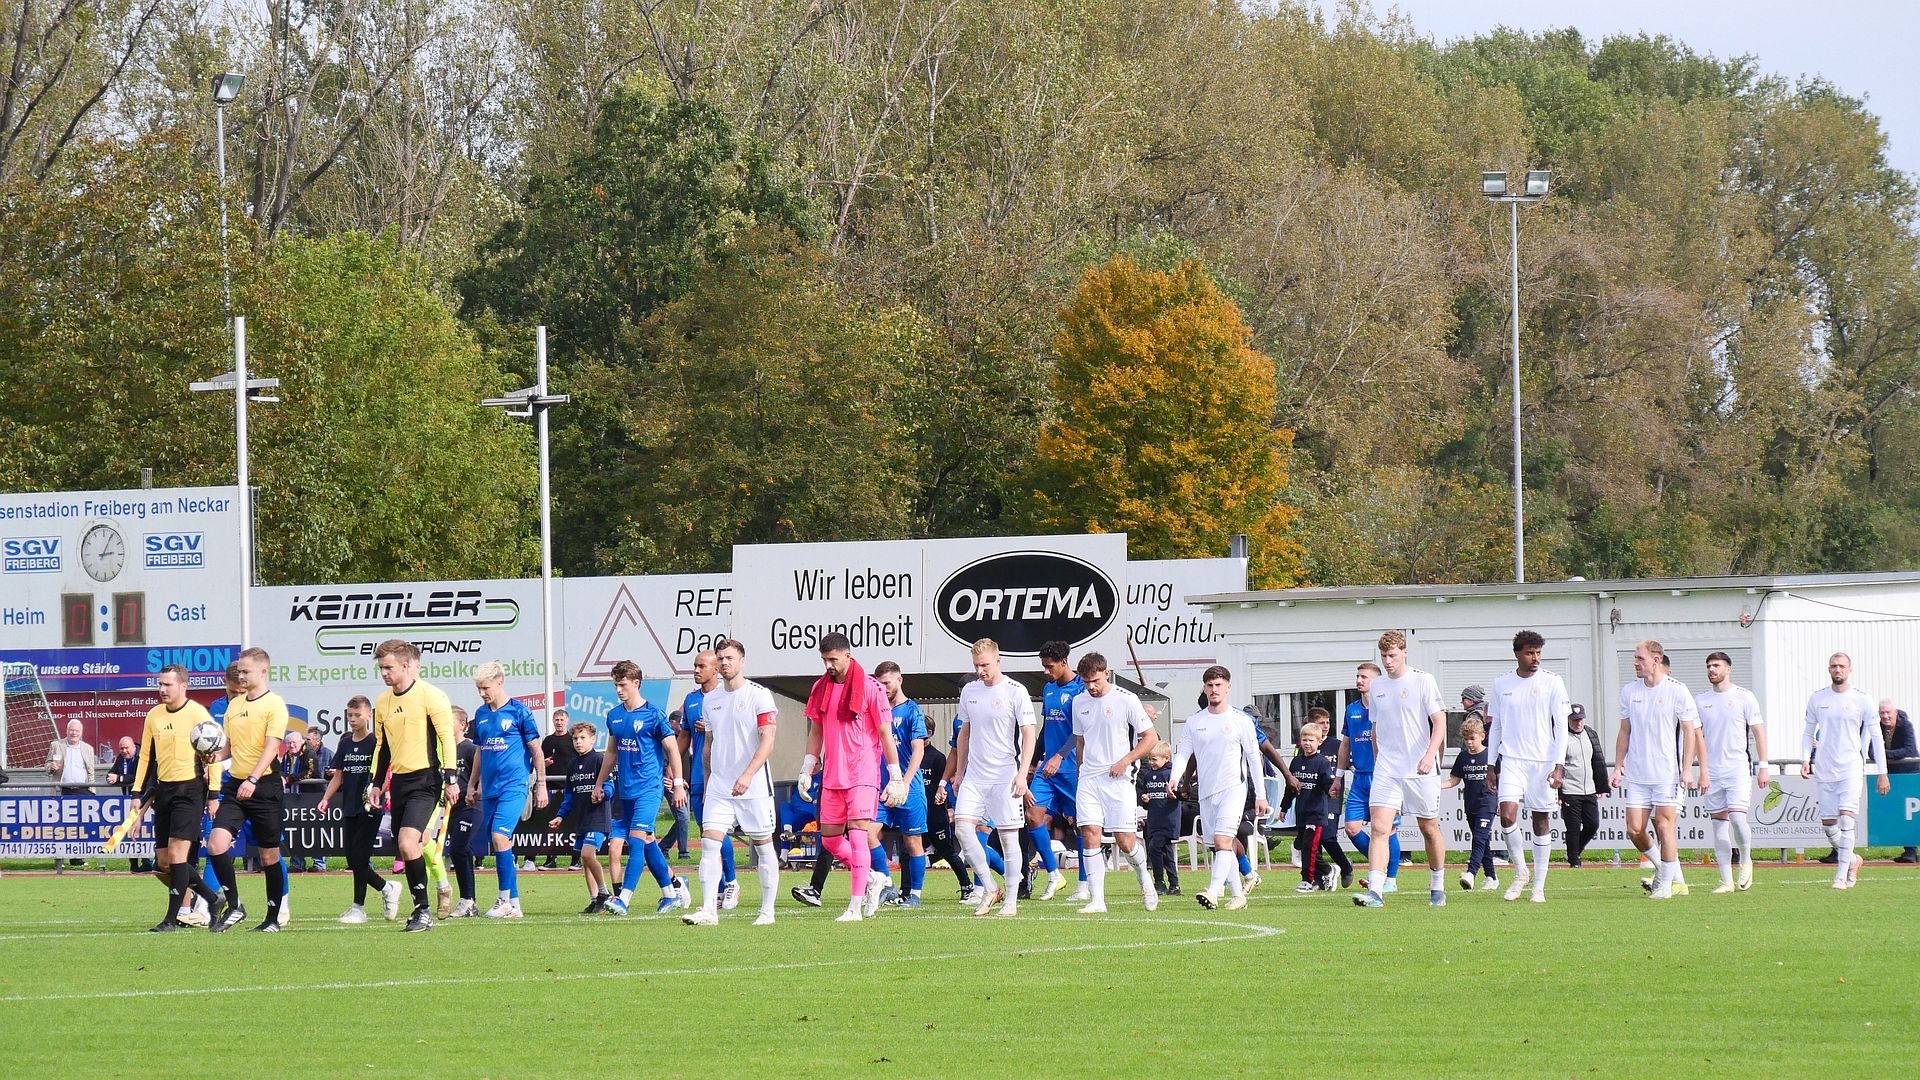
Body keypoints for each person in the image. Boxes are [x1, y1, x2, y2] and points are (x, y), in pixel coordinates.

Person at [800, 633, 907, 922]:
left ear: (848, 655)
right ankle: (873, 877)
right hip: (832, 775)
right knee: (830, 840)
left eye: (833, 659)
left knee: (859, 835)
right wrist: (807, 767)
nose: (828, 665)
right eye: (824, 660)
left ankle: (855, 907)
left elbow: (885, 732)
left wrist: (895, 776)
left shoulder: (871, 688)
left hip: (863, 773)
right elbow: (816, 730)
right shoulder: (820, 687)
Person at [365, 638, 461, 932]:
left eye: (389, 667)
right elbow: (382, 747)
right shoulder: (382, 701)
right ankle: (426, 903)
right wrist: (376, 783)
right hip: (400, 782)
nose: (384, 673)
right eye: (381, 668)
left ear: (406, 665)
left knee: (409, 842)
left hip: (427, 780)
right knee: (408, 847)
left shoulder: (431, 695)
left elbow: (446, 738)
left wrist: (451, 778)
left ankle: (422, 910)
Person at [683, 638, 781, 926]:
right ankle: (708, 910)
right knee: (709, 843)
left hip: (754, 787)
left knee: (763, 846)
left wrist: (748, 774)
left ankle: (767, 912)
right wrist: (708, 781)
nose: (725, 662)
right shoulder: (710, 700)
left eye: (730, 658)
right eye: (721, 658)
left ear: (742, 661)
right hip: (719, 787)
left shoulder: (759, 695)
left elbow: (768, 740)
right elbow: (708, 743)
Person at [940, 638, 1038, 917]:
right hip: (975, 775)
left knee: (1008, 838)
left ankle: (1011, 901)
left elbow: (1029, 733)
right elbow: (964, 733)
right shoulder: (970, 691)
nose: (980, 671)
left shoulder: (1015, 691)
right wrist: (960, 772)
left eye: (984, 665)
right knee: (962, 830)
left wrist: (1022, 774)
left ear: (998, 661)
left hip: (1005, 774)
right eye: (976, 666)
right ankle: (990, 887)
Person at [1353, 631, 1449, 909]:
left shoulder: (1423, 681)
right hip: (1387, 770)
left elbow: (1440, 722)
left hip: (1420, 769)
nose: (1388, 661)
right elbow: (1375, 729)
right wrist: (1377, 763)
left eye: (1393, 655)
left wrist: (1430, 756)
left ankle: (1438, 885)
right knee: (1379, 828)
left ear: (1405, 652)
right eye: (1384, 656)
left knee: (1428, 827)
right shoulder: (1378, 687)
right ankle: (1376, 891)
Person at [204, 647, 291, 932]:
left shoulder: (274, 704)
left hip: (263, 786)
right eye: (239, 671)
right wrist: (213, 758)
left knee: (269, 857)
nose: (241, 676)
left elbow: (271, 748)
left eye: (246, 671)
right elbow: (228, 747)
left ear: (263, 672)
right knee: (216, 845)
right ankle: (235, 905)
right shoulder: (234, 706)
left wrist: (252, 780)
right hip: (236, 786)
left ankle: (273, 918)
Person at [132, 664, 223, 931]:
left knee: (177, 855)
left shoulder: (198, 713)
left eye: (167, 684)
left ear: (183, 686)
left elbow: (214, 755)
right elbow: (146, 757)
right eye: (160, 684)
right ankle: (212, 898)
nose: (162, 689)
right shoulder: (154, 715)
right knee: (163, 862)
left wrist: (213, 793)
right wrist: (137, 793)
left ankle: (171, 919)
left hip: (190, 791)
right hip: (164, 792)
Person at [595, 659, 690, 916]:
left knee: (636, 841)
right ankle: (671, 891)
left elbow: (673, 750)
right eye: (616, 685)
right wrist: (600, 783)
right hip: (625, 790)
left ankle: (623, 899)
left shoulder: (654, 714)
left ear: (636, 683)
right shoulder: (614, 716)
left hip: (649, 788)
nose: (618, 690)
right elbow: (611, 753)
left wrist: (678, 785)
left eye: (623, 685)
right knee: (648, 842)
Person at [1067, 652, 1159, 913]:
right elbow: (1080, 741)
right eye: (1086, 682)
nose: (1091, 687)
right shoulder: (1078, 702)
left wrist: (1125, 761)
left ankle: (1145, 879)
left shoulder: (1126, 699)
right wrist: (1080, 773)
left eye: (1095, 681)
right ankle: (1097, 900)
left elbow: (1150, 738)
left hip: (1120, 778)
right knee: (1089, 833)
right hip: (1089, 778)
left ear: (1106, 673)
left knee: (1125, 840)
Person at [1611, 639, 1703, 900]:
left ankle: (1664, 885)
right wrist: (1618, 766)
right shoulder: (1630, 691)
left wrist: (1687, 769)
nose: (1635, 663)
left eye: (1639, 658)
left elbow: (1690, 732)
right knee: (1634, 830)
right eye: (1635, 658)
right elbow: (1624, 731)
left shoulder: (1677, 690)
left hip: (1666, 774)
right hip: (1638, 775)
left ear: (1656, 659)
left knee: (1664, 826)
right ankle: (1665, 870)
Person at [1486, 630, 1571, 904]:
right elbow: (1496, 726)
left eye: (1538, 653)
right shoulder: (1501, 684)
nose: (1535, 658)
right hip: (1512, 759)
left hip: (1543, 762)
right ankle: (1521, 871)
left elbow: (1561, 726)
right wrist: (1490, 764)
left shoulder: (1553, 682)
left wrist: (1559, 766)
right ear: (1517, 654)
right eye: (1529, 653)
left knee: (1540, 820)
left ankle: (1539, 886)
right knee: (1507, 815)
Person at [1171, 665, 1265, 910]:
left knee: (1223, 840)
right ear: (1204, 688)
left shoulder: (1241, 720)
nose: (1214, 690)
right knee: (1219, 845)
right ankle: (1238, 895)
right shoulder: (1195, 721)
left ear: (1228, 687)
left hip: (1234, 788)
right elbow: (1183, 753)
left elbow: (1254, 758)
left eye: (1219, 685)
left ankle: (1213, 891)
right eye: (1210, 685)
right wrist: (1174, 777)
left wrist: (1261, 795)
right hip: (1206, 792)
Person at [466, 660, 548, 918]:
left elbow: (536, 750)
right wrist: (472, 784)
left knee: (500, 836)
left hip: (514, 785)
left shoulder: (519, 712)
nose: (482, 693)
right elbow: (480, 751)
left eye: (486, 688)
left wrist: (541, 785)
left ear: (500, 682)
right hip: (490, 789)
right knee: (500, 841)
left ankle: (503, 900)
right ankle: (515, 905)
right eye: (479, 689)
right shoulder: (480, 714)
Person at [1801, 653, 1889, 890]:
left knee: (1847, 817)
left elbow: (1877, 737)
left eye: (1841, 666)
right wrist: (1805, 759)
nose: (1837, 669)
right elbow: (1808, 732)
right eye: (1833, 666)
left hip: (1851, 768)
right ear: (1829, 669)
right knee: (1829, 825)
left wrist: (1882, 772)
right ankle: (1852, 860)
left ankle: (1840, 876)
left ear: (1849, 669)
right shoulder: (1818, 698)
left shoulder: (1862, 699)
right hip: (1825, 768)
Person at [318, 695, 400, 923]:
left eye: (357, 715)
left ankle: (358, 908)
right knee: (352, 859)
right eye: (350, 715)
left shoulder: (376, 743)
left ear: (369, 716)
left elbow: (386, 773)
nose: (353, 719)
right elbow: (339, 775)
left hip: (370, 807)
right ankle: (387, 888)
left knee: (360, 858)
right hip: (349, 806)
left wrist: (378, 791)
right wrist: (325, 798)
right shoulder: (345, 743)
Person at [1696, 652, 1769, 892]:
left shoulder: (1744, 697)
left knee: (1737, 818)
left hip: (1737, 768)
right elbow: (1695, 737)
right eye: (1708, 666)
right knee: (1719, 825)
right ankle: (1726, 880)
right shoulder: (1701, 700)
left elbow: (1758, 732)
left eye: (1716, 665)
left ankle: (1746, 859)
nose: (1711, 670)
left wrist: (1763, 766)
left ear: (1728, 669)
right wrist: (1700, 770)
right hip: (1712, 771)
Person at [1029, 640, 1085, 902]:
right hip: (1048, 769)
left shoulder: (1081, 687)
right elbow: (1046, 728)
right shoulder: (1048, 688)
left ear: (1064, 662)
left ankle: (1084, 883)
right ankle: (1054, 874)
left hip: (1072, 767)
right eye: (1044, 666)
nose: (1046, 671)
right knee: (1033, 815)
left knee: (1081, 825)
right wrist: (1034, 761)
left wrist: (1060, 756)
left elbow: (1080, 730)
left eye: (1049, 666)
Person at [1338, 662, 1400, 893]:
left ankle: (1390, 879)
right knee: (1351, 828)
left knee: (1386, 829)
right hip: (1359, 778)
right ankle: (1379, 865)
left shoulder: (1388, 707)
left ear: (1377, 681)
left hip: (1382, 776)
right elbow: (1345, 744)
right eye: (1358, 676)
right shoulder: (1351, 709)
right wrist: (1338, 776)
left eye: (1364, 677)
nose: (1359, 680)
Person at [873, 661, 931, 907]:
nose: (883, 689)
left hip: (909, 787)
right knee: (868, 833)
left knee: (912, 841)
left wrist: (905, 783)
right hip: (880, 787)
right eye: (879, 685)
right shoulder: (875, 710)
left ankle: (915, 895)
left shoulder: (912, 711)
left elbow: (919, 750)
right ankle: (887, 885)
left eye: (886, 683)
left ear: (899, 680)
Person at [677, 651, 734, 902]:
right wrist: (672, 769)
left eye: (702, 666)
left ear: (715, 670)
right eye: (695, 666)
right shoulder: (691, 700)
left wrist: (713, 727)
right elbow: (684, 737)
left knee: (718, 830)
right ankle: (720, 888)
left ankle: (731, 883)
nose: (696, 670)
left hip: (723, 775)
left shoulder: (728, 696)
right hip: (700, 776)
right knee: (706, 832)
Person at [549, 721, 614, 913]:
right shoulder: (572, 764)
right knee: (585, 860)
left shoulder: (599, 759)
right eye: (575, 738)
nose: (578, 742)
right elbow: (569, 795)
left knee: (587, 854)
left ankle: (604, 893)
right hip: (581, 819)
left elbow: (610, 786)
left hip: (598, 817)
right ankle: (594, 900)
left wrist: (603, 794)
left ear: (593, 739)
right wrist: (560, 816)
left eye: (583, 738)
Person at [1285, 721, 1350, 893]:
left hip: (1316, 813)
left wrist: (1331, 790)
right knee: (1304, 847)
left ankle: (1307, 880)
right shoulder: (1296, 762)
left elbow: (1327, 782)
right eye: (1304, 740)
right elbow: (1290, 788)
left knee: (1309, 847)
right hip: (1301, 812)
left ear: (1319, 742)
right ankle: (1329, 870)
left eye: (1311, 740)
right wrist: (1284, 807)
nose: (1307, 743)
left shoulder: (1322, 763)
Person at [1443, 717, 1497, 891]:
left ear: (1482, 736)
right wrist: (1436, 786)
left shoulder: (1491, 756)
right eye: (1466, 739)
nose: (1469, 743)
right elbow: (1454, 780)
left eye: (1472, 738)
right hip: (1471, 805)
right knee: (1483, 841)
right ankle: (1491, 877)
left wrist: (1501, 801)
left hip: (1487, 803)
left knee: (1479, 839)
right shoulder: (1463, 757)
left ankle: (1471, 873)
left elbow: (1500, 780)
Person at [1558, 704, 1608, 867]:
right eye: (1575, 720)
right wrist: (1558, 792)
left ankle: (1574, 850)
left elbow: (1597, 761)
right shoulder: (1562, 737)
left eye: (1580, 719)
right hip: (1570, 789)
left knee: (1592, 824)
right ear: (1568, 720)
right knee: (1573, 827)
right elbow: (1557, 765)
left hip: (1589, 789)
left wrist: (1600, 785)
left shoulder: (1590, 734)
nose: (1578, 723)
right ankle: (1574, 861)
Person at [1137, 742, 1181, 894]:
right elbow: (1147, 802)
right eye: (1150, 759)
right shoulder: (1149, 776)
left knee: (1154, 848)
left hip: (1168, 819)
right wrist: (1145, 800)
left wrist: (1174, 794)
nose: (1151, 763)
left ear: (1166, 758)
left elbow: (1181, 794)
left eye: (1154, 759)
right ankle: (1174, 884)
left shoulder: (1171, 775)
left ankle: (1159, 882)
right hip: (1154, 819)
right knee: (1166, 852)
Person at [1879, 700, 1919, 861]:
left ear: (1895, 713)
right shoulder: (1878, 727)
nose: (1885, 716)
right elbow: (1871, 750)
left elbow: (1910, 750)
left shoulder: (1906, 726)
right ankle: (1910, 850)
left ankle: (1911, 851)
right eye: (1882, 713)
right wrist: (1885, 755)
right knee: (1901, 813)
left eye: (1888, 712)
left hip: (1910, 774)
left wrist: (1884, 754)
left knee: (1911, 813)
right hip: (1893, 776)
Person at [108, 736, 154, 873]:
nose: (124, 751)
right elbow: (111, 773)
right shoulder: (120, 758)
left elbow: (139, 777)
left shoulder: (142, 757)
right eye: (121, 748)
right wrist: (112, 777)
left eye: (126, 748)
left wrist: (120, 778)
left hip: (144, 799)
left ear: (134, 746)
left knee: (145, 831)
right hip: (127, 800)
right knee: (129, 830)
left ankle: (148, 862)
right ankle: (134, 864)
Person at [540, 708, 576, 869]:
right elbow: (539, 761)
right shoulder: (548, 741)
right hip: (552, 789)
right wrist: (544, 764)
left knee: (573, 824)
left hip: (571, 788)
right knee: (552, 825)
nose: (559, 722)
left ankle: (576, 859)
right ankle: (551, 859)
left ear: (567, 721)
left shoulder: (573, 739)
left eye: (562, 720)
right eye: (557, 720)